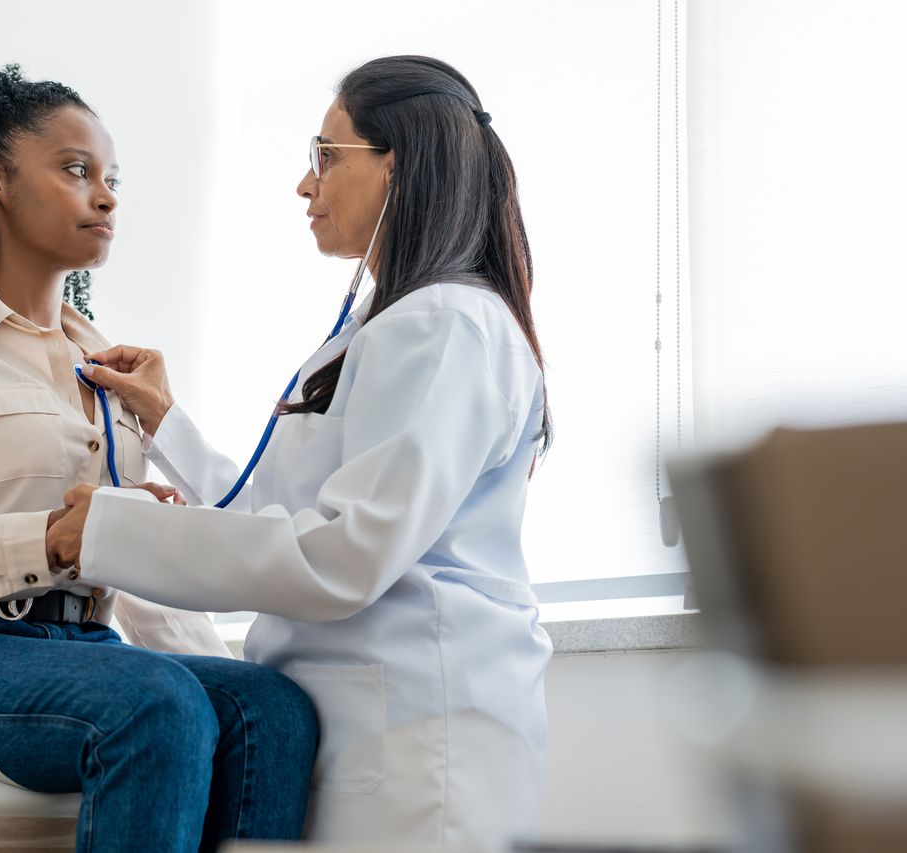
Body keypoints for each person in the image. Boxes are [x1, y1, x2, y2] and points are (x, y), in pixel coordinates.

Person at [0, 65, 316, 853]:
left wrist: (211, 668)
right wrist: (47, 539)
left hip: (77, 648)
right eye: (77, 171)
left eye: (112, 180)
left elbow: (133, 571)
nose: (105, 198)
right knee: (156, 703)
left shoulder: (106, 366)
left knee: (270, 709)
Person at [48, 55, 553, 847]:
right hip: (351, 720)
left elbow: (344, 554)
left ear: (398, 165)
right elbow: (284, 514)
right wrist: (166, 423)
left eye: (326, 155)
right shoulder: (394, 324)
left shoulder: (444, 325)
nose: (304, 183)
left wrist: (109, 530)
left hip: (417, 739)